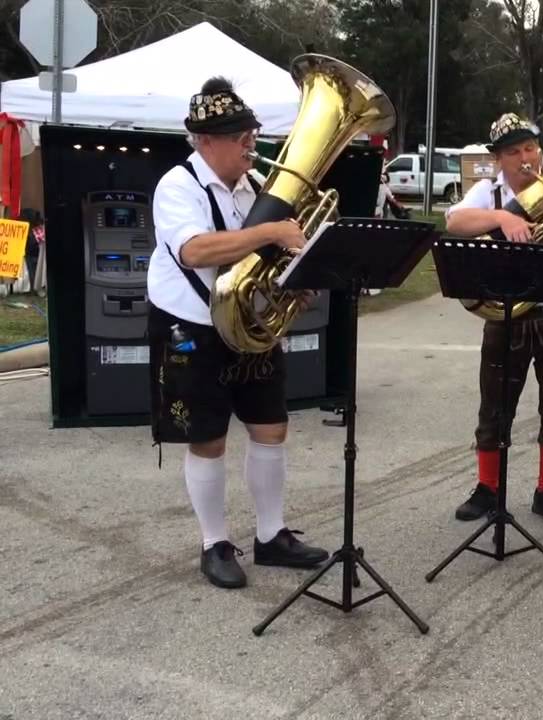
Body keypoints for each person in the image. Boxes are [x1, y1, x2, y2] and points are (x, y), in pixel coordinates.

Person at [148, 76, 329, 590]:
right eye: (238, 134)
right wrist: (271, 230)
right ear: (205, 140)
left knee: (271, 427)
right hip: (191, 324)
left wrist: (295, 283)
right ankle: (215, 543)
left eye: (250, 131)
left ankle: (271, 535)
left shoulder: (252, 189)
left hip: (247, 323)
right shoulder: (177, 185)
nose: (252, 141)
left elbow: (261, 261)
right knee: (207, 438)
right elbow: (196, 252)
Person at [445, 112, 543, 527]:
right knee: (494, 404)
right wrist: (502, 217)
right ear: (499, 160)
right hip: (507, 313)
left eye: (530, 148)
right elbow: (454, 221)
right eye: (513, 152)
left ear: (540, 151)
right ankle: (488, 488)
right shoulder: (488, 191)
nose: (524, 158)